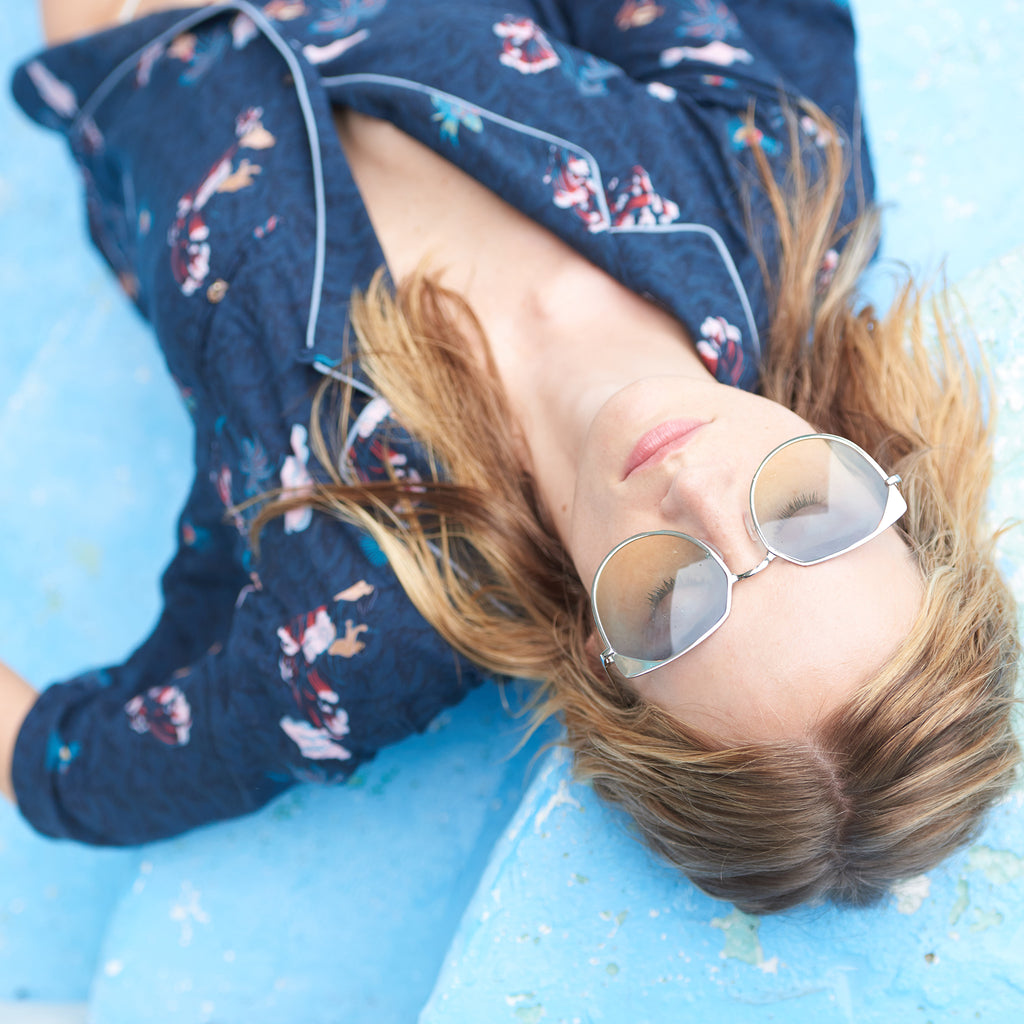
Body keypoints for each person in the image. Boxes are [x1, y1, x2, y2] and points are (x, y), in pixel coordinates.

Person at [1, 0, 1018, 914]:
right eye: (808, 514)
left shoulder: (352, 629)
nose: (697, 492)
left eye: (677, 602)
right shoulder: (778, 180)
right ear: (880, 472)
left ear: (600, 661)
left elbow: (74, 771)